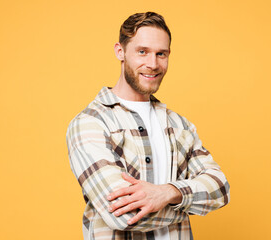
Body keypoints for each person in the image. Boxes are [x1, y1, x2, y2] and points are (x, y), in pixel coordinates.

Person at [66, 12, 230, 240]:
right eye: (142, 52)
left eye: (160, 54)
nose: (152, 64)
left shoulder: (179, 124)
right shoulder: (90, 123)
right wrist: (187, 201)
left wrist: (167, 192)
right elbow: (123, 215)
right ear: (120, 51)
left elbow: (220, 189)